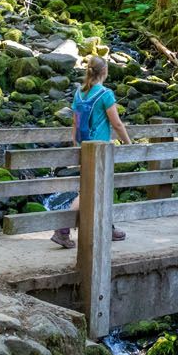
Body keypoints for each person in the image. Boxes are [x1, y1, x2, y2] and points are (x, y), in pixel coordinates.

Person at [51, 56, 131, 250]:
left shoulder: (79, 93)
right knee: (91, 190)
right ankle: (62, 229)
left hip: (83, 145)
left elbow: (75, 122)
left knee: (95, 188)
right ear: (105, 72)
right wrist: (128, 143)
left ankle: (106, 226)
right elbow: (117, 123)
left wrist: (75, 144)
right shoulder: (105, 94)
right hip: (100, 148)